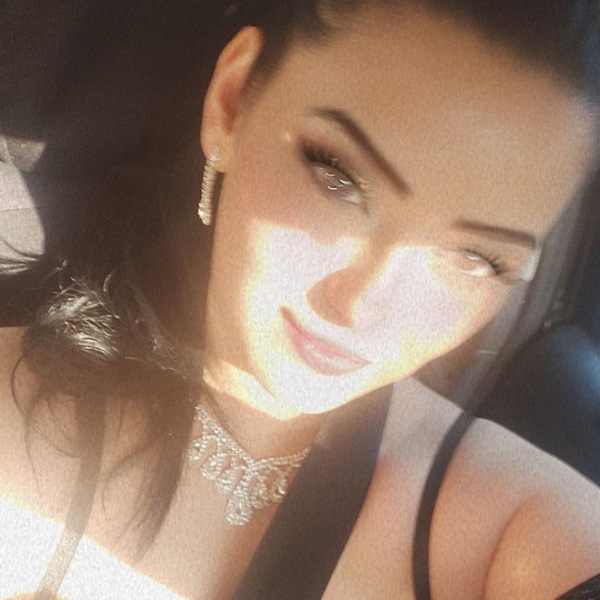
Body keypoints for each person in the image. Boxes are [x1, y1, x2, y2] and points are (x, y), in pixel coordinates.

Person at [1, 0, 600, 598]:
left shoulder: (519, 530)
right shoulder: (16, 408)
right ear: (232, 102)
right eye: (338, 177)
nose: (363, 307)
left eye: (477, 258)